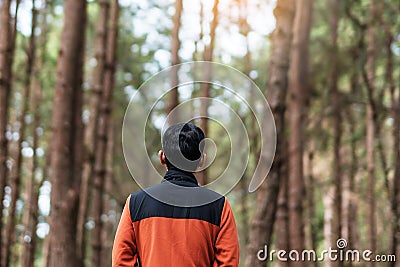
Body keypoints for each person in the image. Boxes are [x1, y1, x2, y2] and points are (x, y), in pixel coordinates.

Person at [112, 122, 239, 266]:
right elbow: (228, 263)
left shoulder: (135, 203)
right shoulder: (219, 206)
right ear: (202, 160)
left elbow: (120, 261)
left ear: (162, 157)